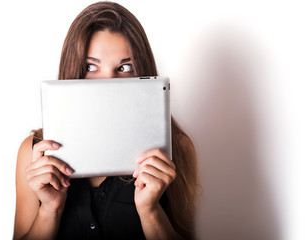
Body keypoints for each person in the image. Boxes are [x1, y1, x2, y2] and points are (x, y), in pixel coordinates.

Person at [13, 2, 199, 239]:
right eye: (91, 66)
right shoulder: (34, 153)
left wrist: (150, 212)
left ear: (142, 71)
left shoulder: (177, 149)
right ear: (74, 70)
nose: (108, 82)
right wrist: (49, 211)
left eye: (124, 67)